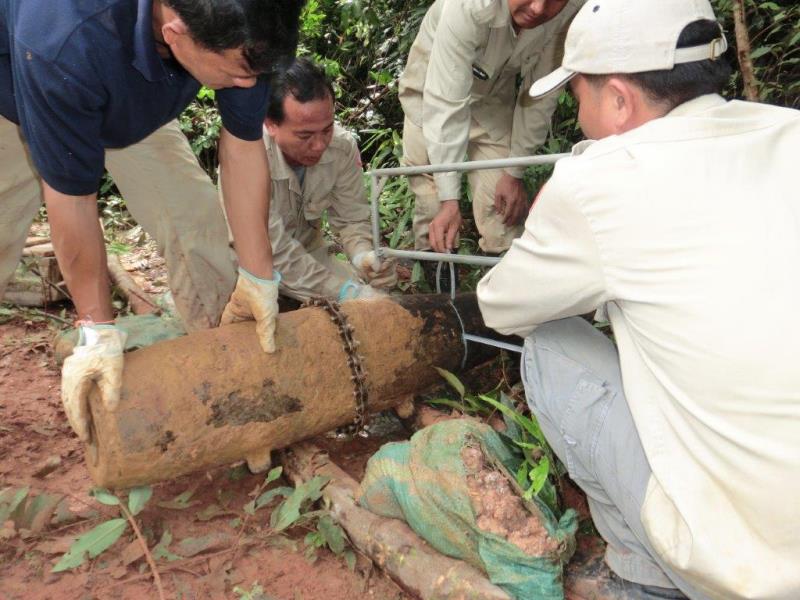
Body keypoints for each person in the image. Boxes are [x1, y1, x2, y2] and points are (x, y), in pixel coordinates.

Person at [477, 0, 800, 598]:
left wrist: (560, 205)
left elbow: (500, 305)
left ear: (620, 100)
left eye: (580, 99)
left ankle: (646, 572)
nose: (581, 120)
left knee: (550, 343)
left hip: (747, 568)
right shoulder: (789, 131)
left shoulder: (601, 179)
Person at [0, 0, 302, 443]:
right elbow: (73, 198)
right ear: (176, 32)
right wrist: (98, 329)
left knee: (196, 222)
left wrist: (259, 276)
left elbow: (242, 143)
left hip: (130, 100)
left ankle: (234, 390)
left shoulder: (242, 22)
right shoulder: (62, 36)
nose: (248, 85)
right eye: (240, 74)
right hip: (22, 88)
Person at [398, 0, 583, 259]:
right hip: (430, 94)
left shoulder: (570, 10)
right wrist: (449, 200)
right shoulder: (467, 6)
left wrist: (514, 170)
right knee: (434, 201)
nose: (539, 8)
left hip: (491, 99)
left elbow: (540, 95)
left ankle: (507, 279)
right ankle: (436, 277)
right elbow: (445, 102)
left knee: (502, 206)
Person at [221, 58, 396, 302]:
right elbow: (269, 250)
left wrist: (362, 256)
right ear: (270, 123)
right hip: (247, 263)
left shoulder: (342, 148)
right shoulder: (244, 156)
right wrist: (342, 292)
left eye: (326, 129)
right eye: (304, 135)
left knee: (374, 304)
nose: (319, 145)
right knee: (224, 308)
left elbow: (351, 219)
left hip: (309, 255)